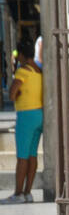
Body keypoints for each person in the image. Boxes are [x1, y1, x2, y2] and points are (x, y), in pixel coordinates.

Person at [3, 40, 42, 204]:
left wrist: (17, 95)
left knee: (22, 157)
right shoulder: (39, 70)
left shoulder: (23, 71)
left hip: (26, 116)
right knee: (32, 155)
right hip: (39, 115)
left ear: (22, 55)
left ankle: (18, 193)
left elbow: (12, 94)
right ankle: (27, 192)